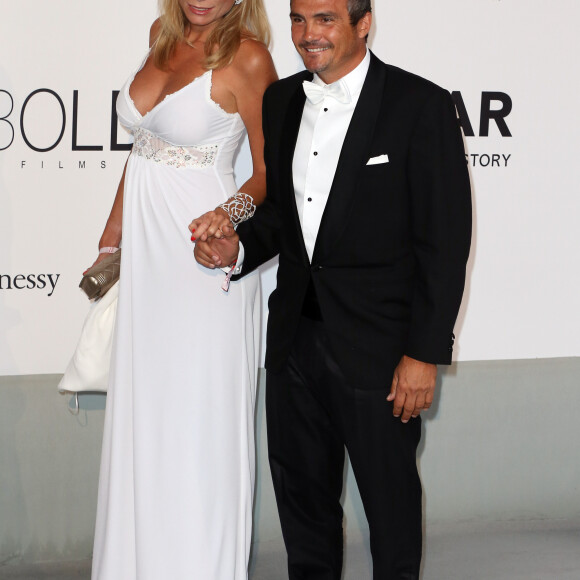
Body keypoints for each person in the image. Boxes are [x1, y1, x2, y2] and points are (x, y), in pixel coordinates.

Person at [192, 0, 472, 578]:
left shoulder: (419, 106)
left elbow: (443, 245)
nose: (306, 35)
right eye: (297, 20)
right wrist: (238, 248)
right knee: (303, 514)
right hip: (295, 342)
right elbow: (284, 220)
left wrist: (423, 355)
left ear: (362, 23)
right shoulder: (281, 101)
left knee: (390, 515)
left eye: (324, 19)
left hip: (381, 353)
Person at [90, 1, 277, 579]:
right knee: (146, 415)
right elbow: (143, 149)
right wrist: (112, 234)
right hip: (148, 258)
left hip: (201, 257)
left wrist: (228, 214)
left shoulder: (248, 56)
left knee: (198, 423)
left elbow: (271, 170)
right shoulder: (159, 34)